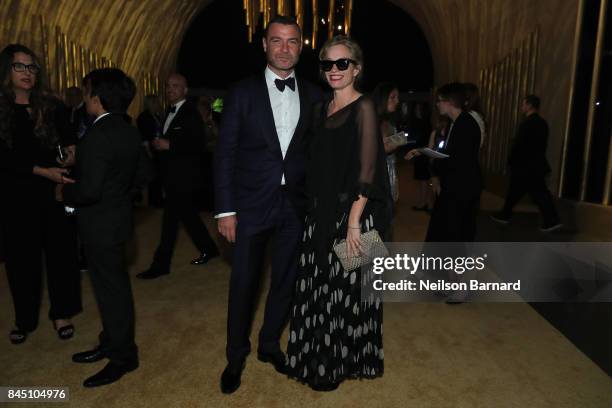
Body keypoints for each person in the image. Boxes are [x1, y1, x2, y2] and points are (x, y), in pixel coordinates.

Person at [214, 15, 323, 394]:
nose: (284, 48)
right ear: (264, 45)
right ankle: (235, 355)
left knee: (286, 280)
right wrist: (225, 210)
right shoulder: (241, 92)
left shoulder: (313, 94)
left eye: (292, 41)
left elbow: (318, 155)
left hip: (294, 204)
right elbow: (225, 153)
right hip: (249, 206)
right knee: (244, 282)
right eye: (276, 41)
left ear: (300, 46)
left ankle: (269, 344)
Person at [286, 35, 391, 392]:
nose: (334, 70)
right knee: (318, 287)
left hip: (354, 214)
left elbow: (367, 170)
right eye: (328, 64)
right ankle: (315, 356)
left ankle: (338, 364)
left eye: (342, 63)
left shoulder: (365, 108)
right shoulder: (319, 108)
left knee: (348, 292)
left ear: (357, 68)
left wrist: (354, 222)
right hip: (320, 211)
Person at [63, 68, 149, 388]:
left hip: (100, 226)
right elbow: (144, 175)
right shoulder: (128, 129)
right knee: (112, 287)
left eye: (86, 93)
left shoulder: (96, 136)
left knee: (111, 291)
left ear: (96, 100)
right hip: (119, 221)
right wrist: (117, 190)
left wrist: (65, 190)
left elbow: (88, 191)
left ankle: (124, 356)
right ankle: (111, 342)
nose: (84, 98)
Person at [0, 44, 82, 345]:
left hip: (55, 191)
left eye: (32, 67)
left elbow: (71, 140)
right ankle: (25, 318)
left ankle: (63, 314)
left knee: (62, 253)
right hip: (15, 195)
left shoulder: (52, 106)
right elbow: (4, 158)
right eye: (19, 66)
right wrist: (40, 171)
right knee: (22, 259)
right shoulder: (2, 108)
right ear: (6, 70)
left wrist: (70, 155)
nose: (27, 73)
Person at [138, 74, 219, 279]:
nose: (170, 89)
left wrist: (170, 145)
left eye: (176, 86)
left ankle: (161, 265)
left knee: (170, 222)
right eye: (168, 86)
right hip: (172, 175)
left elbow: (198, 144)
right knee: (188, 216)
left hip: (185, 177)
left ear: (185, 90)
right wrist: (162, 144)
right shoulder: (168, 112)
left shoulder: (191, 112)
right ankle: (209, 248)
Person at [406, 83, 483, 242]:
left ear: (450, 102)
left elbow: (457, 160)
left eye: (440, 100)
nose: (437, 104)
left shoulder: (465, 124)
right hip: (455, 186)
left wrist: (436, 174)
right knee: (447, 231)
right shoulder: (456, 122)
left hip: (461, 189)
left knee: (453, 232)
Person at [490, 95, 562, 232]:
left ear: (529, 105)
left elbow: (520, 145)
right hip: (535, 165)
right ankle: (505, 215)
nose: (522, 107)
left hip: (525, 166)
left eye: (523, 104)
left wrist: (511, 159)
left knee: (531, 193)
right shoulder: (542, 123)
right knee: (533, 193)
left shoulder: (527, 124)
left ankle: (551, 220)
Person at [372, 83, 400, 204]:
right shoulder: (370, 120)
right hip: (376, 175)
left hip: (390, 171)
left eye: (397, 97)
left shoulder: (390, 121)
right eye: (393, 97)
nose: (397, 101)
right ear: (382, 99)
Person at [136, 94, 164, 208]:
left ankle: (157, 199)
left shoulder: (156, 116)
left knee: (157, 176)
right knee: (152, 177)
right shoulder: (144, 117)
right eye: (156, 102)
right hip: (150, 152)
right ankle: (153, 201)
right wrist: (149, 153)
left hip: (158, 150)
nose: (159, 104)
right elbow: (144, 138)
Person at [410, 102, 433, 211]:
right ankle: (424, 202)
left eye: (418, 108)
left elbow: (421, 140)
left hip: (423, 153)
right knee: (422, 180)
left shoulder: (424, 124)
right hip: (421, 153)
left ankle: (424, 203)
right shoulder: (423, 123)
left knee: (424, 179)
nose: (416, 110)